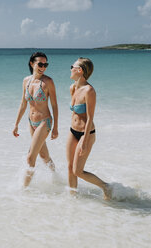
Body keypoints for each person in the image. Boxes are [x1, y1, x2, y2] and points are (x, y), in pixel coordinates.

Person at [66, 57, 111, 200]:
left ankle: (106, 186)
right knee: (69, 168)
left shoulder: (89, 91)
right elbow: (75, 112)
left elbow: (90, 118)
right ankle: (72, 198)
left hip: (86, 133)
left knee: (77, 171)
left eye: (72, 66)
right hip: (73, 132)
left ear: (79, 70)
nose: (70, 68)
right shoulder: (73, 87)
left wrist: (85, 141)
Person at [13, 52, 58, 187]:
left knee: (30, 157)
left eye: (45, 64)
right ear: (32, 63)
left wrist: (55, 127)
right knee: (44, 156)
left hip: (45, 122)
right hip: (31, 122)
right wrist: (16, 124)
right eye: (40, 64)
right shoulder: (26, 81)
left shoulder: (48, 82)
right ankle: (57, 178)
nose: (43, 67)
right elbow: (23, 103)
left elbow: (55, 105)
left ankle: (23, 190)